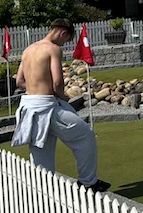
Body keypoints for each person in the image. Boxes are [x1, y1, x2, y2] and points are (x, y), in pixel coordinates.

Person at [12, 19, 110, 192]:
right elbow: (57, 82)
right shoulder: (53, 49)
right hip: (47, 106)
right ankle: (88, 182)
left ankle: (43, 192)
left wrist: (36, 88)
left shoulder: (28, 50)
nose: (64, 43)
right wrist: (63, 97)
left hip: (28, 106)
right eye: (66, 40)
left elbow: (19, 81)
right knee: (85, 136)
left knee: (41, 150)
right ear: (63, 33)